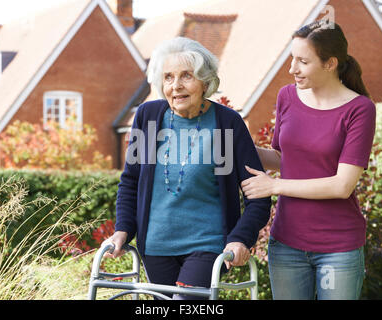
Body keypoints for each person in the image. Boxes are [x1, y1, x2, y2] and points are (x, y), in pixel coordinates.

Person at [105, 37, 271, 299]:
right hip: (155, 247)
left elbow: (258, 194)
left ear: (205, 81)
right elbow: (131, 182)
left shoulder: (226, 124)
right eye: (168, 77)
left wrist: (240, 238)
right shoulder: (148, 117)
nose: (176, 86)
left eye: (186, 76)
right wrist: (123, 230)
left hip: (207, 245)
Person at [241, 21, 376, 300]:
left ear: (330, 64)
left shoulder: (359, 110)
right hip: (287, 243)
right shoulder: (287, 96)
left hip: (337, 248)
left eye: (303, 61)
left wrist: (275, 187)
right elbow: (281, 158)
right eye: (292, 58)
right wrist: (236, 145)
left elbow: (342, 185)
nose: (292, 68)